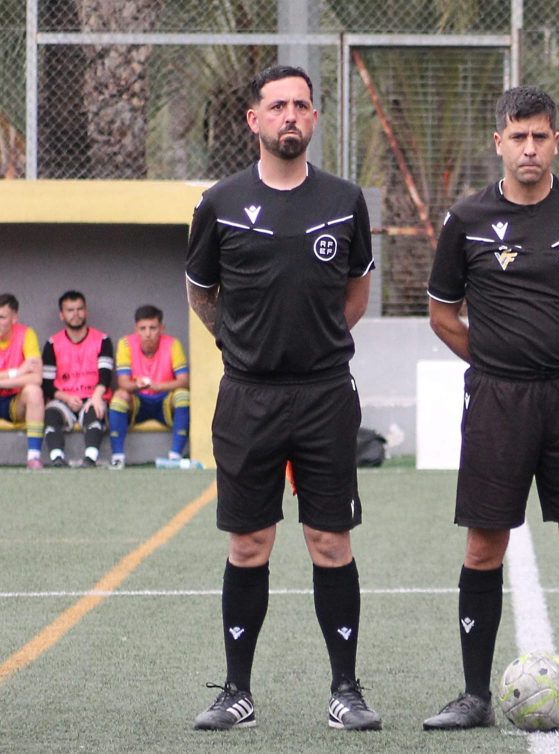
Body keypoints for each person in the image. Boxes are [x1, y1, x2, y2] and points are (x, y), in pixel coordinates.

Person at [423, 85, 559, 732]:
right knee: (484, 545)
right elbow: (442, 315)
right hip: (496, 400)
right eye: (517, 137)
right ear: (499, 142)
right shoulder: (466, 219)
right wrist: (499, 361)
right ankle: (474, 696)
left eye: (539, 136)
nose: (529, 148)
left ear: (555, 142)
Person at [186, 65, 379, 732]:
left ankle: (346, 690)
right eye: (277, 106)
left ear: (315, 117)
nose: (289, 115)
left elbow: (356, 292)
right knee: (249, 544)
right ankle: (236, 692)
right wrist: (239, 342)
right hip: (249, 397)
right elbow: (201, 291)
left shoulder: (345, 200)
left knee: (330, 540)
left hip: (325, 395)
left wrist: (317, 342)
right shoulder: (219, 202)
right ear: (254, 120)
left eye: (301, 104)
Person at [108, 304, 190, 469]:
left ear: (161, 328)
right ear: (136, 329)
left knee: (183, 395)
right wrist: (136, 385)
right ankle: (117, 457)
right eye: (142, 328)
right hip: (138, 401)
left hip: (164, 401)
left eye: (153, 328)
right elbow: (123, 382)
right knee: (119, 396)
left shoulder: (173, 344)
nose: (147, 334)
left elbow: (184, 381)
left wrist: (158, 386)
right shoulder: (125, 343)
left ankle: (175, 457)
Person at [41, 290, 114, 467]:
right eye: (70, 310)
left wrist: (96, 397)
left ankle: (90, 459)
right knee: (51, 414)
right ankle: (57, 459)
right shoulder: (52, 343)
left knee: (95, 411)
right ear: (61, 315)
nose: (76, 314)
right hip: (63, 399)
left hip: (92, 396)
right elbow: (47, 384)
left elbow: (105, 375)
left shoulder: (102, 340)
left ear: (85, 311)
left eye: (80, 309)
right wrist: (66, 398)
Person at [0, 293, 45, 469]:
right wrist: (17, 372)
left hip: (13, 402)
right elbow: (25, 374)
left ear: (14, 318)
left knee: (34, 391)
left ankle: (33, 457)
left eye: (2, 317)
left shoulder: (26, 334)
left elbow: (36, 377)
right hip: (12, 385)